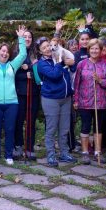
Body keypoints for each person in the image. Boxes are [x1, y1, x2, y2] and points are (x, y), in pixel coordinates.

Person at [0, 24, 27, 165]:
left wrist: (21, 38)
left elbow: (23, 55)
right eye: (2, 51)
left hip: (11, 103)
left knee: (10, 129)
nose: (4, 54)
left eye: (7, 52)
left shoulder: (12, 66)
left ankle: (9, 154)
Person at [74, 38, 106, 164]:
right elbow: (76, 84)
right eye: (92, 48)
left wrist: (100, 81)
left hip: (101, 102)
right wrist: (76, 100)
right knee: (85, 126)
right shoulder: (82, 64)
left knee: (98, 128)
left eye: (97, 48)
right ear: (88, 50)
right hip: (85, 101)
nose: (94, 50)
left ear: (101, 50)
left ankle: (98, 152)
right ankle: (85, 153)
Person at [36, 39, 76, 167]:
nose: (48, 48)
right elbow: (54, 75)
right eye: (44, 48)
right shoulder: (41, 64)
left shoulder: (59, 55)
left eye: (48, 46)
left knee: (64, 128)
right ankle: (51, 155)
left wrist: (70, 62)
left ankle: (64, 153)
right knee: (52, 128)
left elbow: (73, 68)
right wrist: (61, 62)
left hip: (66, 97)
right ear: (40, 51)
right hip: (51, 99)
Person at [13, 29, 40, 160]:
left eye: (30, 37)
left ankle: (29, 147)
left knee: (31, 121)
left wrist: (29, 69)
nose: (27, 39)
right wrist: (25, 73)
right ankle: (18, 146)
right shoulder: (15, 53)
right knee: (18, 120)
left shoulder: (36, 53)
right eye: (25, 37)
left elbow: (40, 71)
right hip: (19, 92)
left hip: (33, 92)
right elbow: (13, 71)